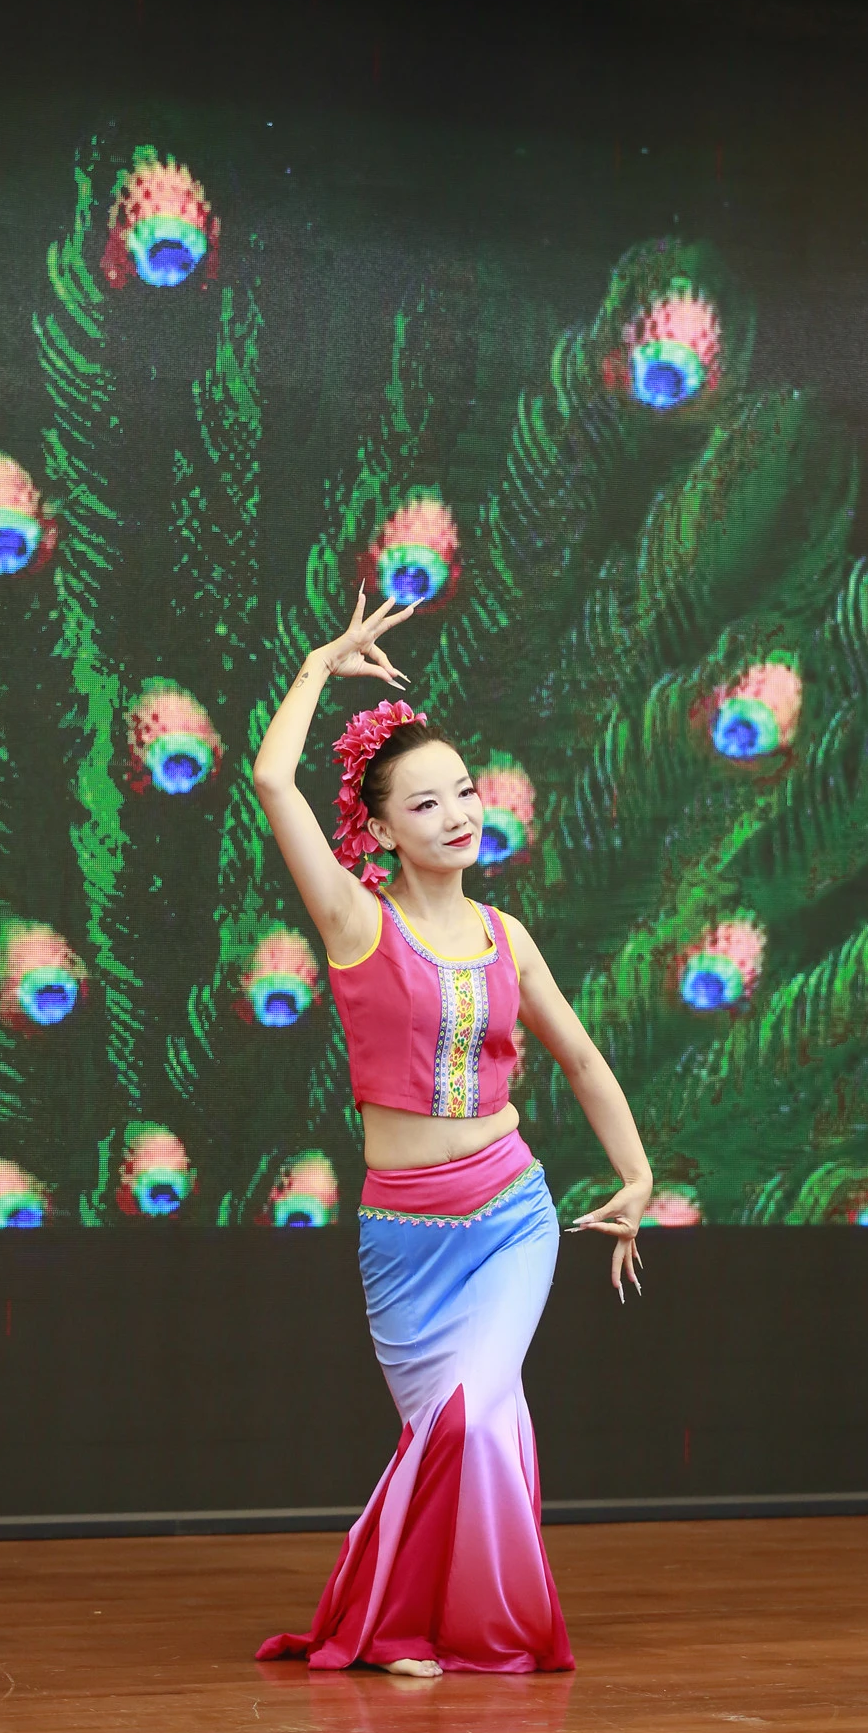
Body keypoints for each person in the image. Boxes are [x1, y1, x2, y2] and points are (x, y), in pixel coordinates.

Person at [252, 589, 654, 1678]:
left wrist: (636, 1172)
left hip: (511, 1215)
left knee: (476, 1419)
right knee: (451, 1431)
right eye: (425, 803)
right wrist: (318, 664)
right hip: (405, 1241)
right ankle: (397, 1622)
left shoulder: (505, 934)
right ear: (381, 829)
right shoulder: (355, 922)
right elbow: (271, 781)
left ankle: (461, 1622)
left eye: (465, 791)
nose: (457, 813)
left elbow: (581, 1060)